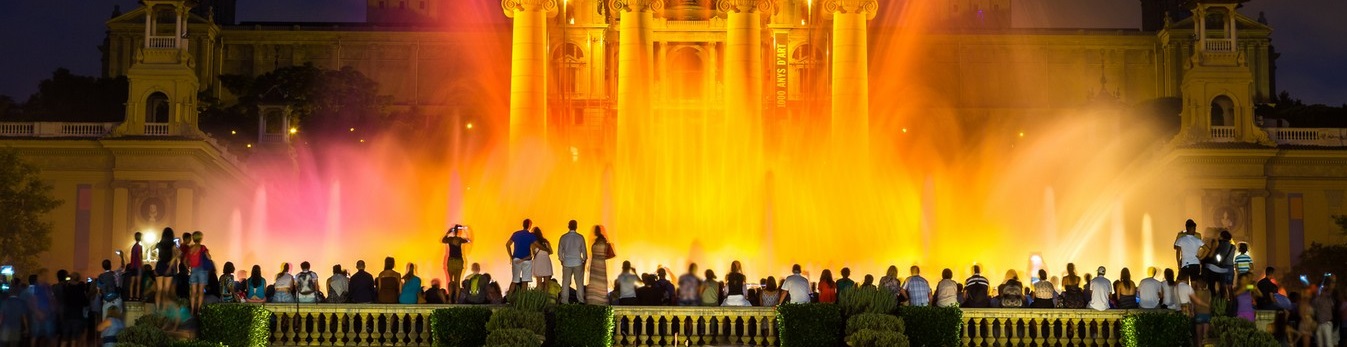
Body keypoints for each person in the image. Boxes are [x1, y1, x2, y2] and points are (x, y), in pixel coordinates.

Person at [557, 220, 587, 304]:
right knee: (579, 283)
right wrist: (584, 259)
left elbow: (560, 251)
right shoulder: (580, 237)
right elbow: (584, 250)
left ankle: (564, 300)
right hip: (577, 262)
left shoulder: (563, 237)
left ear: (568, 226)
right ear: (576, 226)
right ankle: (580, 300)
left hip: (567, 262)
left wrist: (562, 260)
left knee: (565, 282)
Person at [504, 219, 537, 292]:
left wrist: (511, 256)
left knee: (515, 280)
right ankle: (522, 299)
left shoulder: (516, 234)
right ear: (529, 225)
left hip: (516, 259)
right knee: (525, 281)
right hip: (527, 260)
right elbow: (535, 246)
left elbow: (507, 245)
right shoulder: (531, 235)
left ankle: (508, 298)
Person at [585, 225, 615, 306]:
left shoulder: (597, 241)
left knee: (595, 281)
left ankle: (595, 300)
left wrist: (588, 263)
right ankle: (600, 299)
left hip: (596, 264)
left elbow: (591, 253)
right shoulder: (603, 241)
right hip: (600, 264)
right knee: (600, 281)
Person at [183, 231, 211, 313]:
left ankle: (192, 310)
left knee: (193, 292)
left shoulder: (190, 249)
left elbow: (184, 261)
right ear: (200, 238)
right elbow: (209, 258)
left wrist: (188, 268)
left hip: (193, 270)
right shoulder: (203, 248)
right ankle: (198, 310)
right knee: (201, 292)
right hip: (202, 270)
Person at [441, 225, 470, 303]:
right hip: (459, 261)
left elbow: (443, 240)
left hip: (451, 261)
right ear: (459, 231)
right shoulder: (460, 240)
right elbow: (468, 240)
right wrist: (464, 230)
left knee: (451, 281)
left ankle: (450, 299)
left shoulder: (450, 239)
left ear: (453, 231)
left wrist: (448, 232)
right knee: (457, 282)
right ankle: (456, 300)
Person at [1204, 230, 1236, 298]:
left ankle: (1224, 303)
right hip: (1231, 268)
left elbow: (1217, 255)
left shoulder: (1221, 245)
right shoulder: (1233, 247)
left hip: (1223, 267)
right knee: (1230, 287)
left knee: (1223, 287)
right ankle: (1232, 304)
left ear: (1222, 237)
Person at [153, 228, 178, 305]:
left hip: (159, 265)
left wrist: (154, 267)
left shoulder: (159, 244)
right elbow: (176, 255)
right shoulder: (172, 245)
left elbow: (152, 253)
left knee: (159, 289)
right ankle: (164, 309)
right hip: (167, 265)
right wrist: (171, 264)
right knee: (166, 290)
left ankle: (157, 309)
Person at [1190, 276, 1212, 346]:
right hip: (1207, 314)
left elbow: (1193, 304)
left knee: (1199, 337)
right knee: (1205, 337)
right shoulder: (1208, 291)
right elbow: (1210, 302)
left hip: (1198, 314)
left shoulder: (1194, 292)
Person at [128, 232, 144, 302]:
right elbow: (140, 256)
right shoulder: (139, 247)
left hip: (132, 266)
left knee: (132, 282)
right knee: (138, 283)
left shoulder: (133, 247)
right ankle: (137, 296)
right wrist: (142, 264)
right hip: (138, 266)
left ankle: (131, 296)